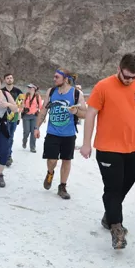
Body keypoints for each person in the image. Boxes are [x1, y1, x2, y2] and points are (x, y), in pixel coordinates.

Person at [79, 53, 135, 249]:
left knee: (122, 185)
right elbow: (91, 114)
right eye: (126, 76)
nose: (129, 80)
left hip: (134, 149)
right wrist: (86, 143)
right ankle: (116, 228)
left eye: (133, 77)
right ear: (118, 69)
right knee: (113, 188)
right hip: (107, 148)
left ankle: (109, 214)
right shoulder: (103, 86)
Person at [34, 68, 86, 200]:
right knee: (51, 160)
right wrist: (36, 127)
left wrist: (75, 112)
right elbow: (43, 111)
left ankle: (62, 186)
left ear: (65, 79)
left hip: (69, 134)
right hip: (52, 132)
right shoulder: (51, 92)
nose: (54, 79)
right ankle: (50, 173)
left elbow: (85, 114)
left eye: (56, 77)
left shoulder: (76, 93)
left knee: (66, 160)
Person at [2, 73, 23, 166]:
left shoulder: (19, 92)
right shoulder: (1, 91)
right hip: (3, 118)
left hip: (14, 118)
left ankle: (8, 156)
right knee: (4, 137)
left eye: (11, 78)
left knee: (10, 136)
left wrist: (19, 117)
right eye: (7, 78)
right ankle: (6, 155)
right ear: (4, 80)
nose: (9, 79)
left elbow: (21, 106)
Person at [22, 83, 42, 153]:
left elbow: (41, 107)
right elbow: (21, 104)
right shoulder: (25, 96)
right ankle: (24, 141)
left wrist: (42, 117)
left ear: (34, 89)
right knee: (26, 131)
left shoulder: (37, 96)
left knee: (34, 132)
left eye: (31, 88)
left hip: (34, 116)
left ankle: (32, 147)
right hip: (26, 116)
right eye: (29, 88)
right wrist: (23, 108)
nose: (30, 89)